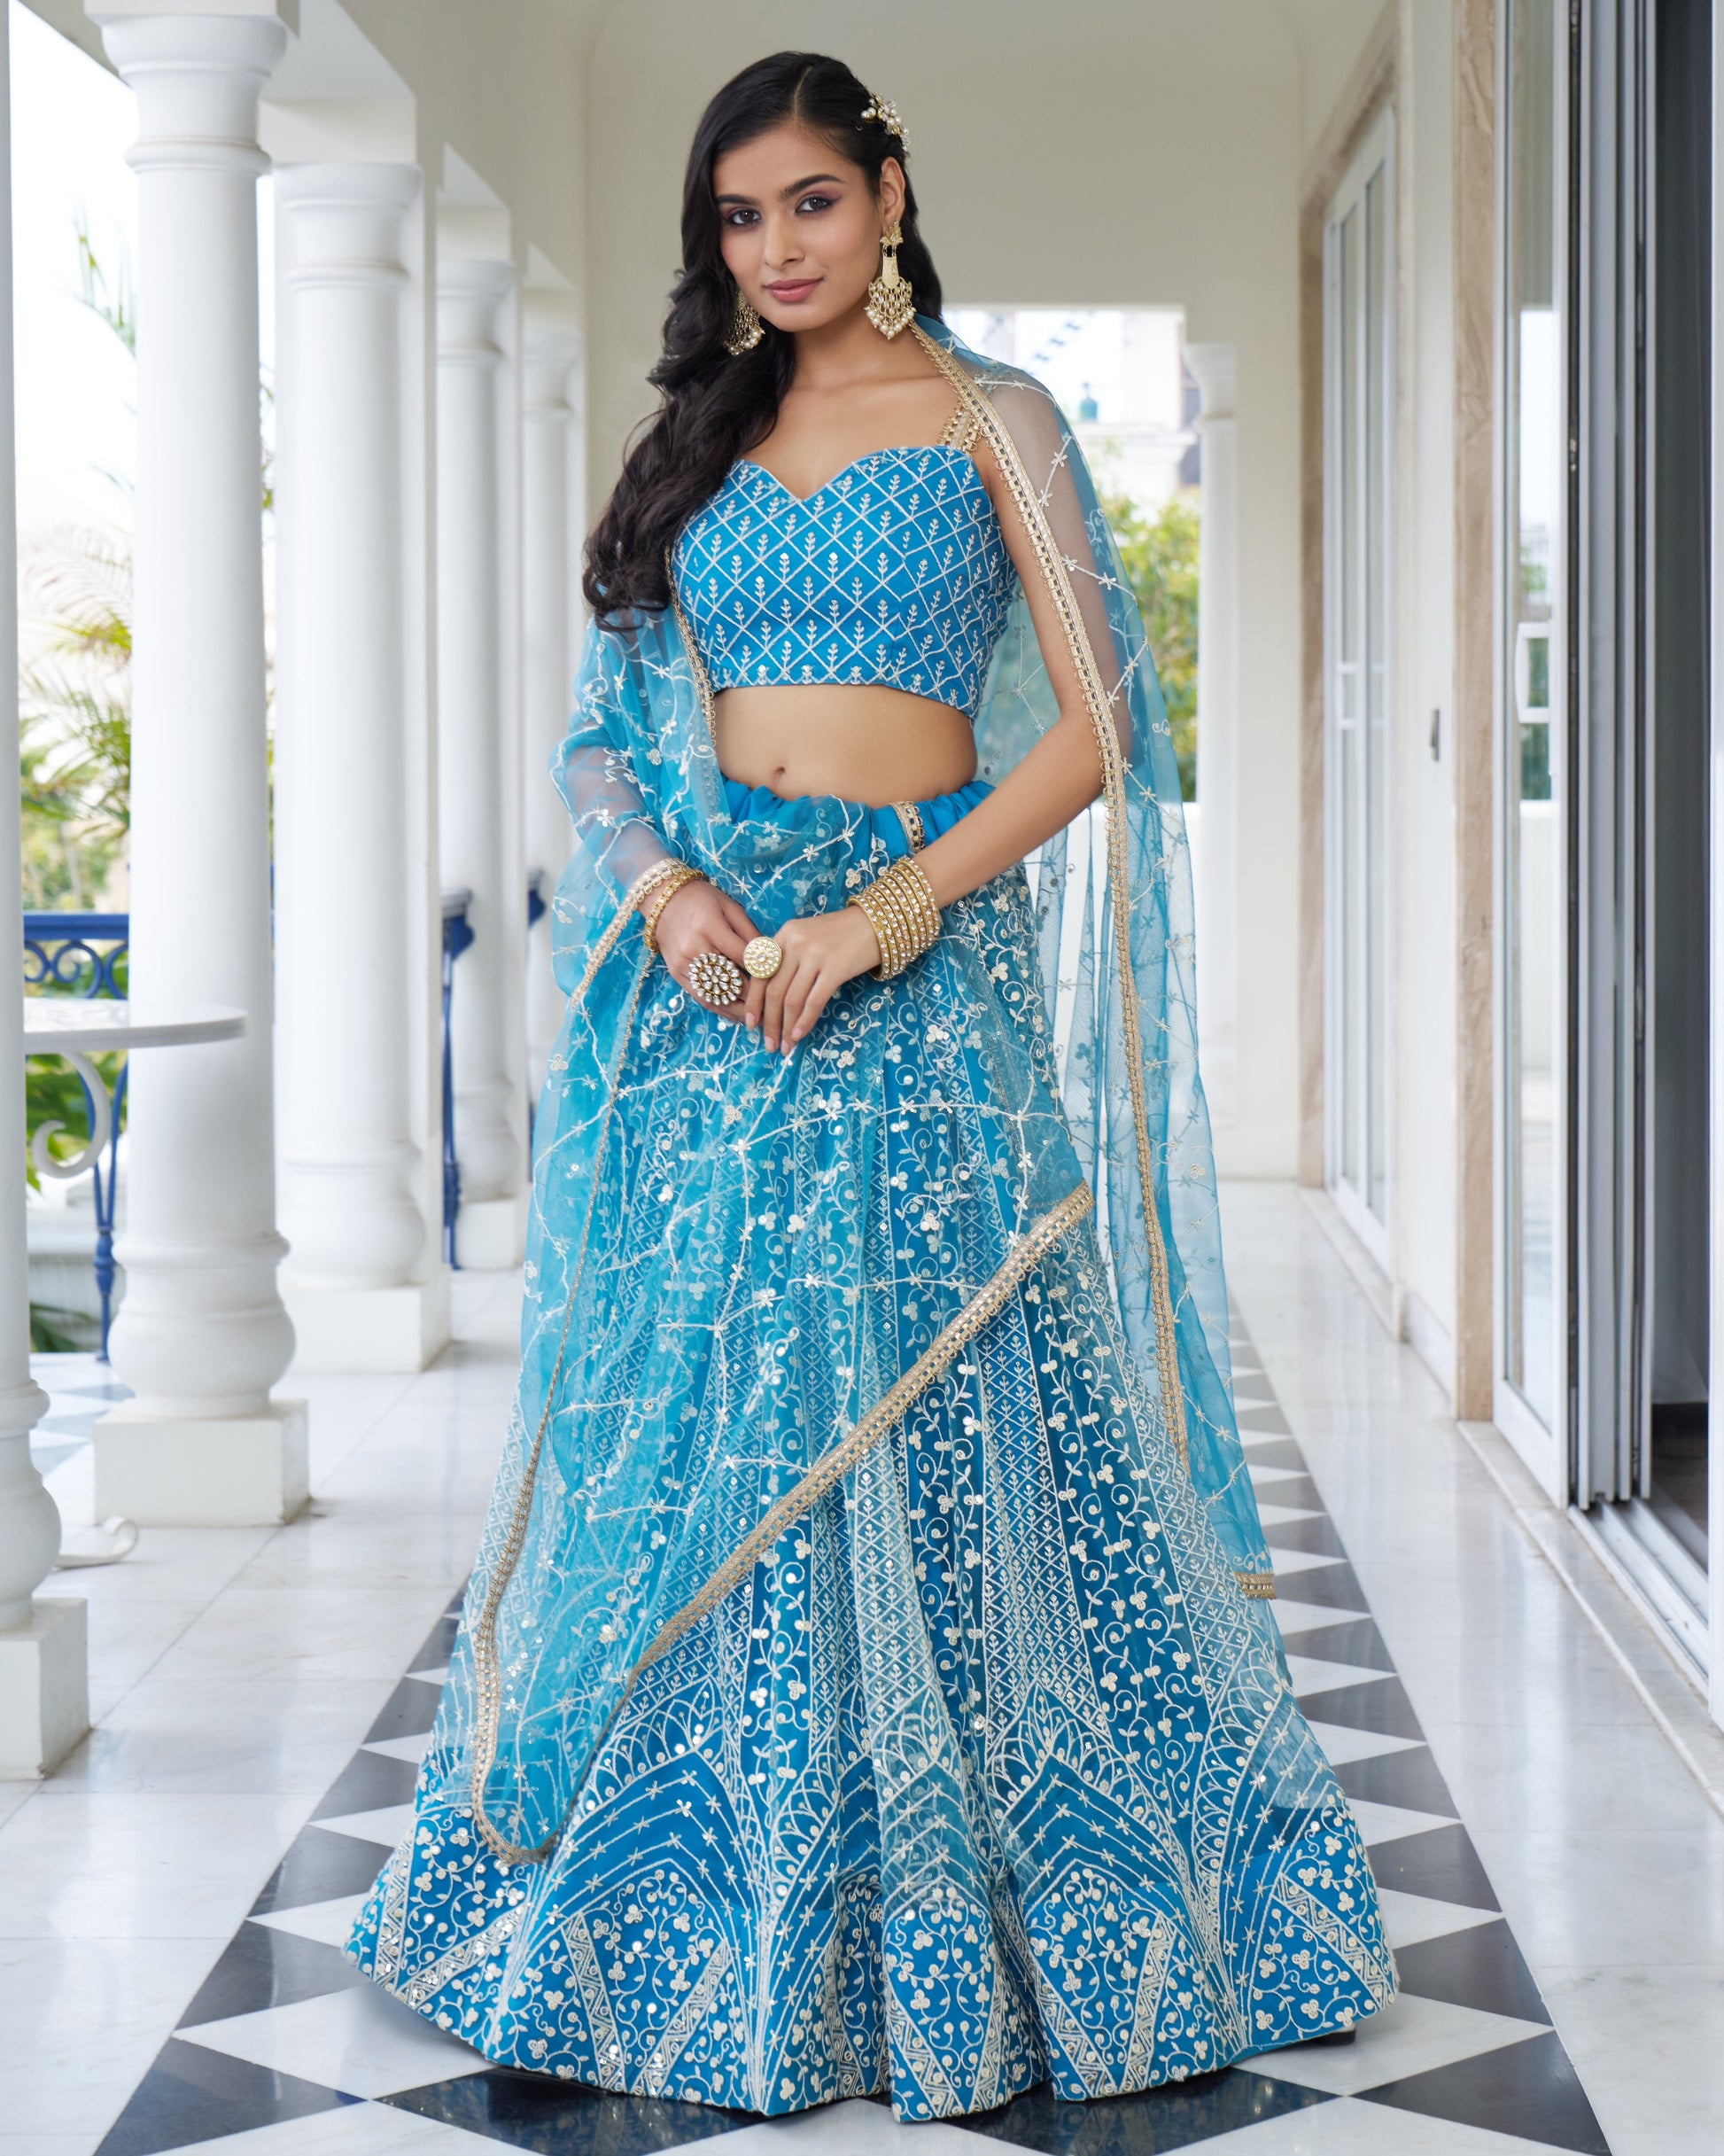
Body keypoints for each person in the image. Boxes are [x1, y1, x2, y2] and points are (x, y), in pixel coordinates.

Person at [347, 50, 1395, 2121]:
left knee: (958, 1387)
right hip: (723, 980)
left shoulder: (1000, 423)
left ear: (889, 192)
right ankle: (707, 1909)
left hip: (917, 974)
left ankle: (993, 1902)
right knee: (730, 1397)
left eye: (810, 201)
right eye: (739, 217)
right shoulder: (696, 442)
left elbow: (1094, 729)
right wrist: (662, 892)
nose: (777, 248)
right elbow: (596, 738)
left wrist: (889, 912)